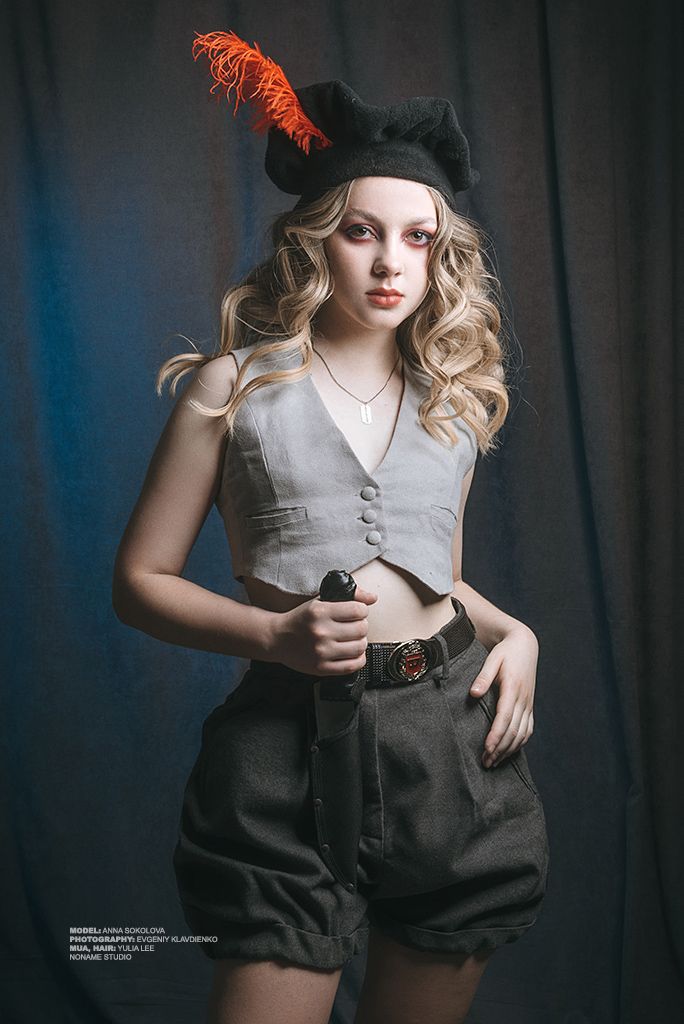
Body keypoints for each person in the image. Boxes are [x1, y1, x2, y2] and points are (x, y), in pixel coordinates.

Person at [112, 30, 550, 1024]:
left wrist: (514, 631)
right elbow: (139, 581)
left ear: (441, 252)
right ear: (315, 238)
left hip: (447, 739)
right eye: (362, 231)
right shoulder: (231, 388)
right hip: (286, 741)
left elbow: (435, 578)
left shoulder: (452, 403)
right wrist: (274, 634)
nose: (392, 262)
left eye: (418, 237)